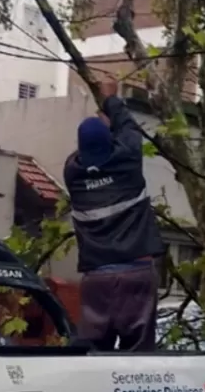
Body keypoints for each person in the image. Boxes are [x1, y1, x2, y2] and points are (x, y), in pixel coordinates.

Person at [63, 93, 164, 351]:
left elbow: (95, 151)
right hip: (136, 273)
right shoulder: (128, 160)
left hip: (97, 278)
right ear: (111, 141)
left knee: (96, 352)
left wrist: (103, 130)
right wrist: (110, 99)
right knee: (138, 352)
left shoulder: (73, 173)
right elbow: (128, 126)